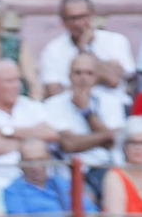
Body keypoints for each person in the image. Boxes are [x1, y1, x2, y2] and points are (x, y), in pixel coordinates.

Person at [43, 52, 127, 194]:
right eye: (78, 73)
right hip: (72, 172)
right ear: (69, 76)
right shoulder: (53, 104)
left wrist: (86, 111)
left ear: (96, 77)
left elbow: (113, 140)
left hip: (107, 168)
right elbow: (69, 144)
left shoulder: (111, 101)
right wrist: (104, 136)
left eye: (89, 73)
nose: (83, 78)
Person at [4, 138, 87, 217]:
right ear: (20, 164)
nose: (35, 167)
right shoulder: (13, 191)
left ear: (48, 159)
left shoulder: (64, 184)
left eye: (40, 160)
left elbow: (91, 215)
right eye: (29, 162)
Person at [38, 0, 134, 100]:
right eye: (73, 18)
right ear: (63, 21)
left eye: (83, 17)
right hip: (70, 108)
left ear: (92, 14)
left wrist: (86, 50)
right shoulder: (52, 49)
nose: (78, 23)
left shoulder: (116, 41)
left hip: (112, 104)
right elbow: (53, 92)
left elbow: (114, 79)